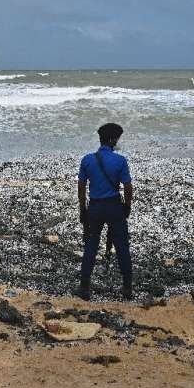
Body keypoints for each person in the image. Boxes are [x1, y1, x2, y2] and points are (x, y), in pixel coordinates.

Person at [77, 123, 134, 301]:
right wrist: (128, 206)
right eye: (117, 139)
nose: (118, 142)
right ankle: (126, 287)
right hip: (114, 206)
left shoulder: (87, 160)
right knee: (122, 246)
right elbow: (128, 187)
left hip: (95, 207)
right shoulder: (120, 161)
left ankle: (85, 287)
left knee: (91, 246)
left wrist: (82, 208)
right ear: (112, 140)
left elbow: (81, 187)